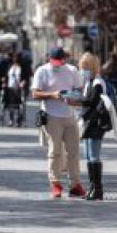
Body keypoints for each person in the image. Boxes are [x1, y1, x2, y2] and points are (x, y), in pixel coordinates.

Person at [31, 47, 86, 199]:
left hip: (70, 115)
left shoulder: (72, 70)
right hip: (51, 115)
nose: (56, 65)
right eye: (54, 62)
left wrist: (73, 97)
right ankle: (55, 183)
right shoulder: (42, 71)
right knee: (55, 151)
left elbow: (79, 90)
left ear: (64, 59)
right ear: (49, 58)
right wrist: (52, 95)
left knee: (73, 151)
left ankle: (75, 184)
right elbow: (35, 93)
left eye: (59, 62)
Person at [78, 52, 112, 201]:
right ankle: (92, 186)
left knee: (94, 156)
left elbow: (92, 101)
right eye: (82, 67)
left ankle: (97, 189)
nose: (83, 70)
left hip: (95, 123)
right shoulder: (89, 82)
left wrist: (76, 100)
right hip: (88, 122)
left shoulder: (97, 82)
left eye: (85, 67)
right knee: (88, 155)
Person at [5, 54, 26, 127]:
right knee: (11, 105)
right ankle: (11, 119)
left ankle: (18, 120)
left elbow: (25, 78)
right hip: (10, 88)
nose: (15, 59)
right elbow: (6, 76)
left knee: (19, 105)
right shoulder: (10, 67)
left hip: (18, 88)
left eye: (16, 58)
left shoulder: (22, 67)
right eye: (14, 58)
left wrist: (23, 83)